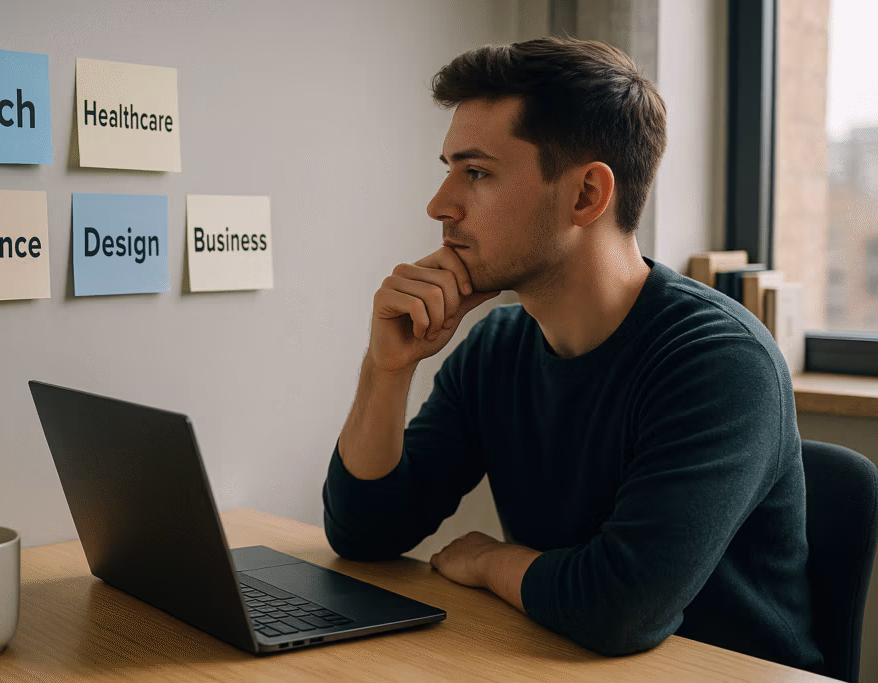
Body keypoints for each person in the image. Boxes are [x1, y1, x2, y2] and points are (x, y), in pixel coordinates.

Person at [321, 36, 824, 673]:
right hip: (562, 661)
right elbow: (364, 534)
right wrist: (386, 371)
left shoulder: (721, 362)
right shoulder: (497, 350)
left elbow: (620, 608)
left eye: (476, 173)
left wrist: (488, 559)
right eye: (448, 168)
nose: (439, 205)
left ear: (586, 195)